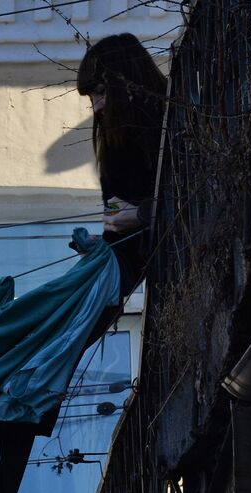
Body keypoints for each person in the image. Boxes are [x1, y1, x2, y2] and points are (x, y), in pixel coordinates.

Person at [76, 33, 166, 299]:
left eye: (101, 92)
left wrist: (142, 215)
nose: (97, 107)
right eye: (91, 98)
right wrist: (103, 245)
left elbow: (198, 202)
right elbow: (115, 213)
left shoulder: (179, 124)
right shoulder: (114, 149)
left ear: (130, 80)